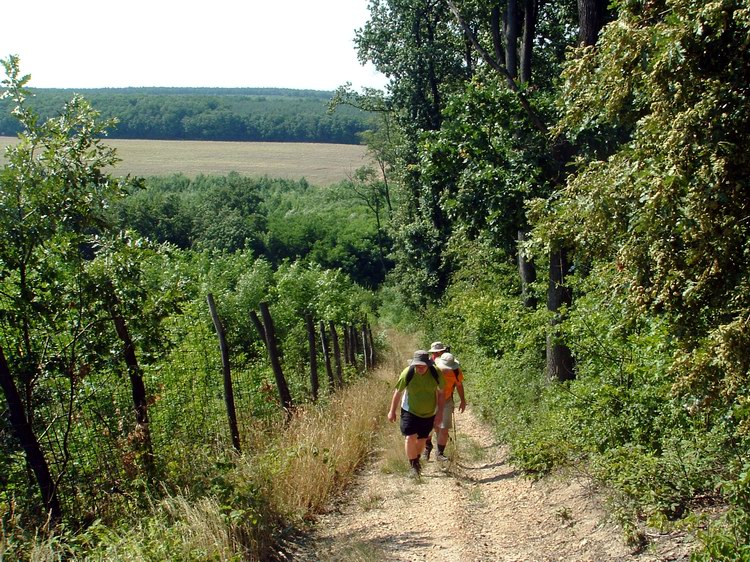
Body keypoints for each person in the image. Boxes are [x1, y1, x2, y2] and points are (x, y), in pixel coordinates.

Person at [388, 350, 446, 478]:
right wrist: (392, 411)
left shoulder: (436, 373)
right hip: (410, 410)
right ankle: (414, 466)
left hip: (429, 412)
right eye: (417, 365)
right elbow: (397, 392)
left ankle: (417, 458)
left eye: (423, 366)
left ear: (428, 365)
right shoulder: (407, 373)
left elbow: (442, 394)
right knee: (410, 437)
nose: (420, 368)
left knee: (422, 439)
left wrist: (440, 413)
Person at [433, 352, 466, 461]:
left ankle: (440, 453)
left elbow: (459, 385)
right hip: (431, 401)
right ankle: (430, 447)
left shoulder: (456, 372)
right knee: (435, 427)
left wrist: (462, 400)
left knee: (444, 428)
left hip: (446, 401)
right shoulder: (433, 371)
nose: (448, 370)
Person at [423, 341, 449, 460]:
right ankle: (428, 447)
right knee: (428, 425)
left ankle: (439, 452)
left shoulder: (447, 361)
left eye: (439, 351)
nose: (438, 353)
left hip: (443, 396)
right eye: (436, 352)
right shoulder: (429, 363)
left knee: (440, 425)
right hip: (430, 398)